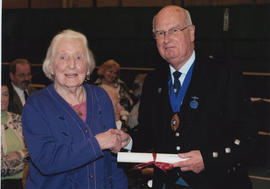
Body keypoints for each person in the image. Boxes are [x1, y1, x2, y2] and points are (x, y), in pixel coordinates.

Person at [133, 5, 257, 189]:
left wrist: (207, 159)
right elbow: (147, 133)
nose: (166, 39)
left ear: (191, 33)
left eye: (174, 30)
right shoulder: (153, 81)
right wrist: (125, 141)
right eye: (160, 33)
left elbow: (248, 139)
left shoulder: (224, 74)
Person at [22, 29, 131, 189]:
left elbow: (113, 161)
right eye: (63, 57)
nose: (72, 64)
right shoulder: (36, 106)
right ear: (51, 66)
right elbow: (47, 162)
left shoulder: (101, 97)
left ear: (88, 67)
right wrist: (97, 143)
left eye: (79, 57)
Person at [1, 81, 29, 189]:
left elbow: (34, 150)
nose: (3, 100)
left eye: (5, 94)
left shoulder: (19, 120)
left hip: (24, 181)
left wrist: (19, 154)